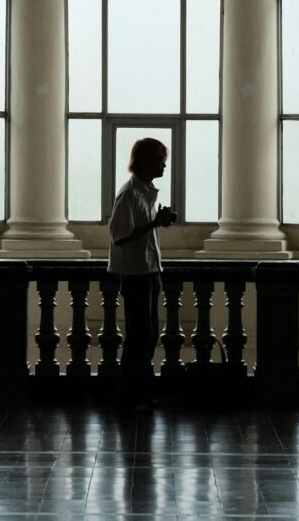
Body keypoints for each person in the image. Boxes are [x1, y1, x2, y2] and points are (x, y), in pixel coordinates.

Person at [108, 137, 176, 411]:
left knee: (148, 335)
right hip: (136, 273)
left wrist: (157, 223)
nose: (164, 165)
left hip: (148, 270)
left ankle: (140, 393)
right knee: (138, 337)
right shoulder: (129, 194)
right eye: (160, 160)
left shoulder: (144, 192)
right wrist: (155, 224)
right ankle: (130, 396)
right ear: (145, 161)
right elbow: (119, 236)